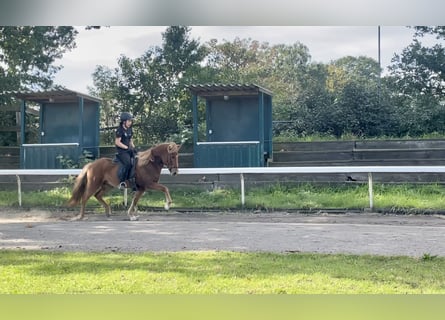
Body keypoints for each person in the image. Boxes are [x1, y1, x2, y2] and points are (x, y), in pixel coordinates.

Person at [115, 112, 137, 190]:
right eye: (129, 121)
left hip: (128, 150)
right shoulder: (120, 130)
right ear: (124, 121)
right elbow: (117, 142)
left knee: (136, 162)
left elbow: (130, 140)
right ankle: (122, 182)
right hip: (122, 152)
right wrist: (126, 147)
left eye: (131, 121)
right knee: (127, 163)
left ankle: (133, 181)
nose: (130, 123)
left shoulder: (129, 129)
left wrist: (134, 148)